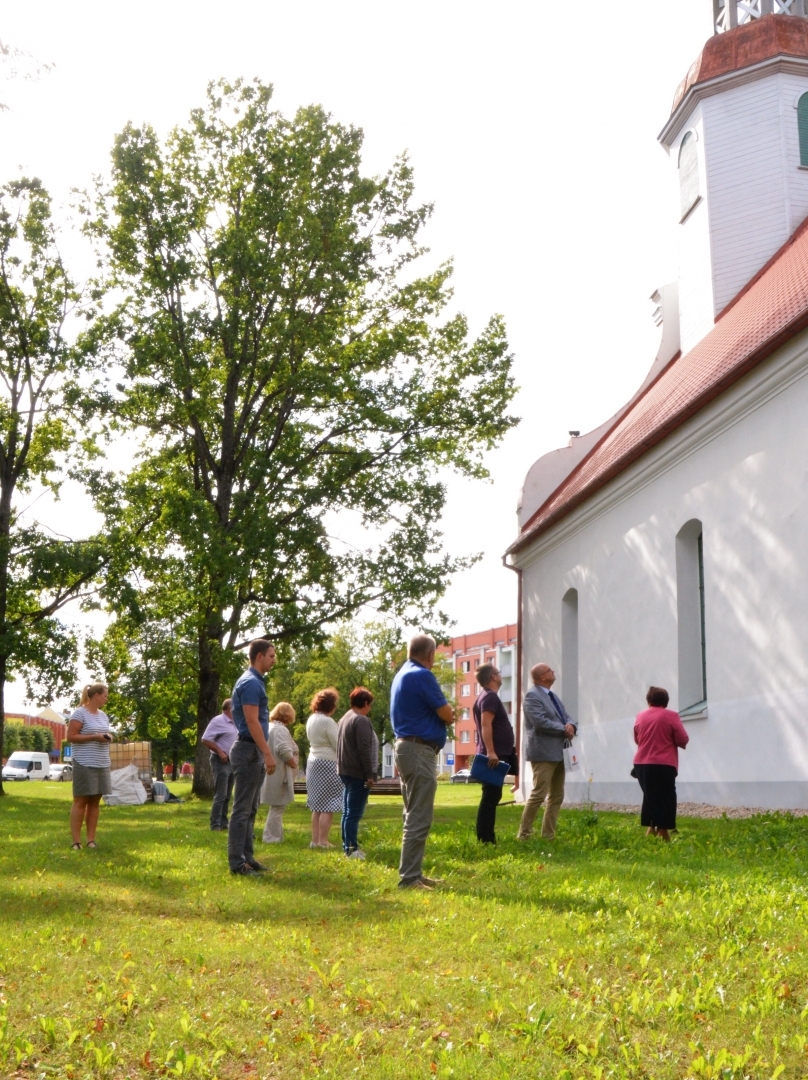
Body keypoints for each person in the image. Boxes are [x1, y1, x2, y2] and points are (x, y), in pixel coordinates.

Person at [391, 634, 454, 890]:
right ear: (430, 655)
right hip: (418, 750)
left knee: (412, 813)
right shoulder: (422, 675)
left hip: (406, 748)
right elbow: (446, 713)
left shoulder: (401, 674)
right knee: (419, 816)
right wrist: (449, 714)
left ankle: (413, 873)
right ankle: (409, 878)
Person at [228, 639, 277, 876]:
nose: (274, 659)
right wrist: (267, 752)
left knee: (251, 809)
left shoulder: (256, 682)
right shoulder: (250, 683)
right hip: (248, 750)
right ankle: (237, 863)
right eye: (271, 655)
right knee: (241, 810)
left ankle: (247, 858)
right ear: (259, 656)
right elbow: (251, 721)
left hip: (253, 750)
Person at [517, 663, 577, 842]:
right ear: (542, 677)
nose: (553, 671)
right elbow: (539, 722)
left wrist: (571, 726)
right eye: (549, 670)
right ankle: (524, 835)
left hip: (559, 752)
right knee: (539, 794)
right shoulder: (532, 696)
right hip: (543, 752)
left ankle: (548, 835)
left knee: (557, 795)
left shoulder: (552, 696)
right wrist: (564, 729)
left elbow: (566, 716)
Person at [633, 686, 689, 842]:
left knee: (650, 795)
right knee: (666, 796)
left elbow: (637, 739)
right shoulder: (671, 716)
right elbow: (683, 739)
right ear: (666, 701)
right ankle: (662, 830)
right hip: (663, 764)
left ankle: (651, 827)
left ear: (649, 700)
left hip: (641, 763)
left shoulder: (640, 716)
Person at [472, 663, 518, 844]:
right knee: (490, 796)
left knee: (492, 795)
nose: (500, 675)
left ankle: (488, 837)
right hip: (494, 755)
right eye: (498, 673)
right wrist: (491, 752)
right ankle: (485, 839)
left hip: (498, 753)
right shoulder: (490, 697)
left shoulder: (486, 697)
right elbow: (486, 724)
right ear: (492, 676)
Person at [67, 683, 113, 850]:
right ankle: (76, 841)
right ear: (96, 696)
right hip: (84, 762)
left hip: (101, 762)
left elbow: (102, 733)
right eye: (105, 696)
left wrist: (107, 737)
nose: (107, 699)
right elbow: (71, 736)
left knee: (95, 802)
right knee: (80, 801)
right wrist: (95, 737)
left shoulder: (103, 716)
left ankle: (91, 840)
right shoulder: (80, 713)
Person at [336, 687, 379, 859]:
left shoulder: (344, 718)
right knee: (354, 812)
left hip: (345, 770)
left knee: (347, 811)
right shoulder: (361, 720)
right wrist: (369, 774)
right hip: (357, 772)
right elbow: (364, 748)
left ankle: (347, 846)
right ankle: (351, 848)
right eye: (370, 705)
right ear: (366, 703)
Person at [306, 688, 343, 848]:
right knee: (329, 804)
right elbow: (338, 744)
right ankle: (323, 840)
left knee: (317, 804)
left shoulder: (311, 719)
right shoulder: (327, 721)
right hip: (328, 763)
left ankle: (315, 840)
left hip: (313, 761)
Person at [260, 702, 299, 843]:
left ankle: (277, 837)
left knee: (277, 806)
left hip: (272, 772)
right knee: (277, 807)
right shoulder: (280, 730)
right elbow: (284, 751)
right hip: (279, 773)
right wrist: (293, 763)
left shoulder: (270, 727)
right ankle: (271, 838)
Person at [200, 698, 236, 831]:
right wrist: (220, 752)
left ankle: (223, 823)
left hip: (233, 761)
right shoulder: (218, 721)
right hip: (220, 760)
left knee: (227, 795)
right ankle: (215, 825)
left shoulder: (235, 723)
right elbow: (205, 739)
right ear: (230, 709)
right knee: (220, 794)